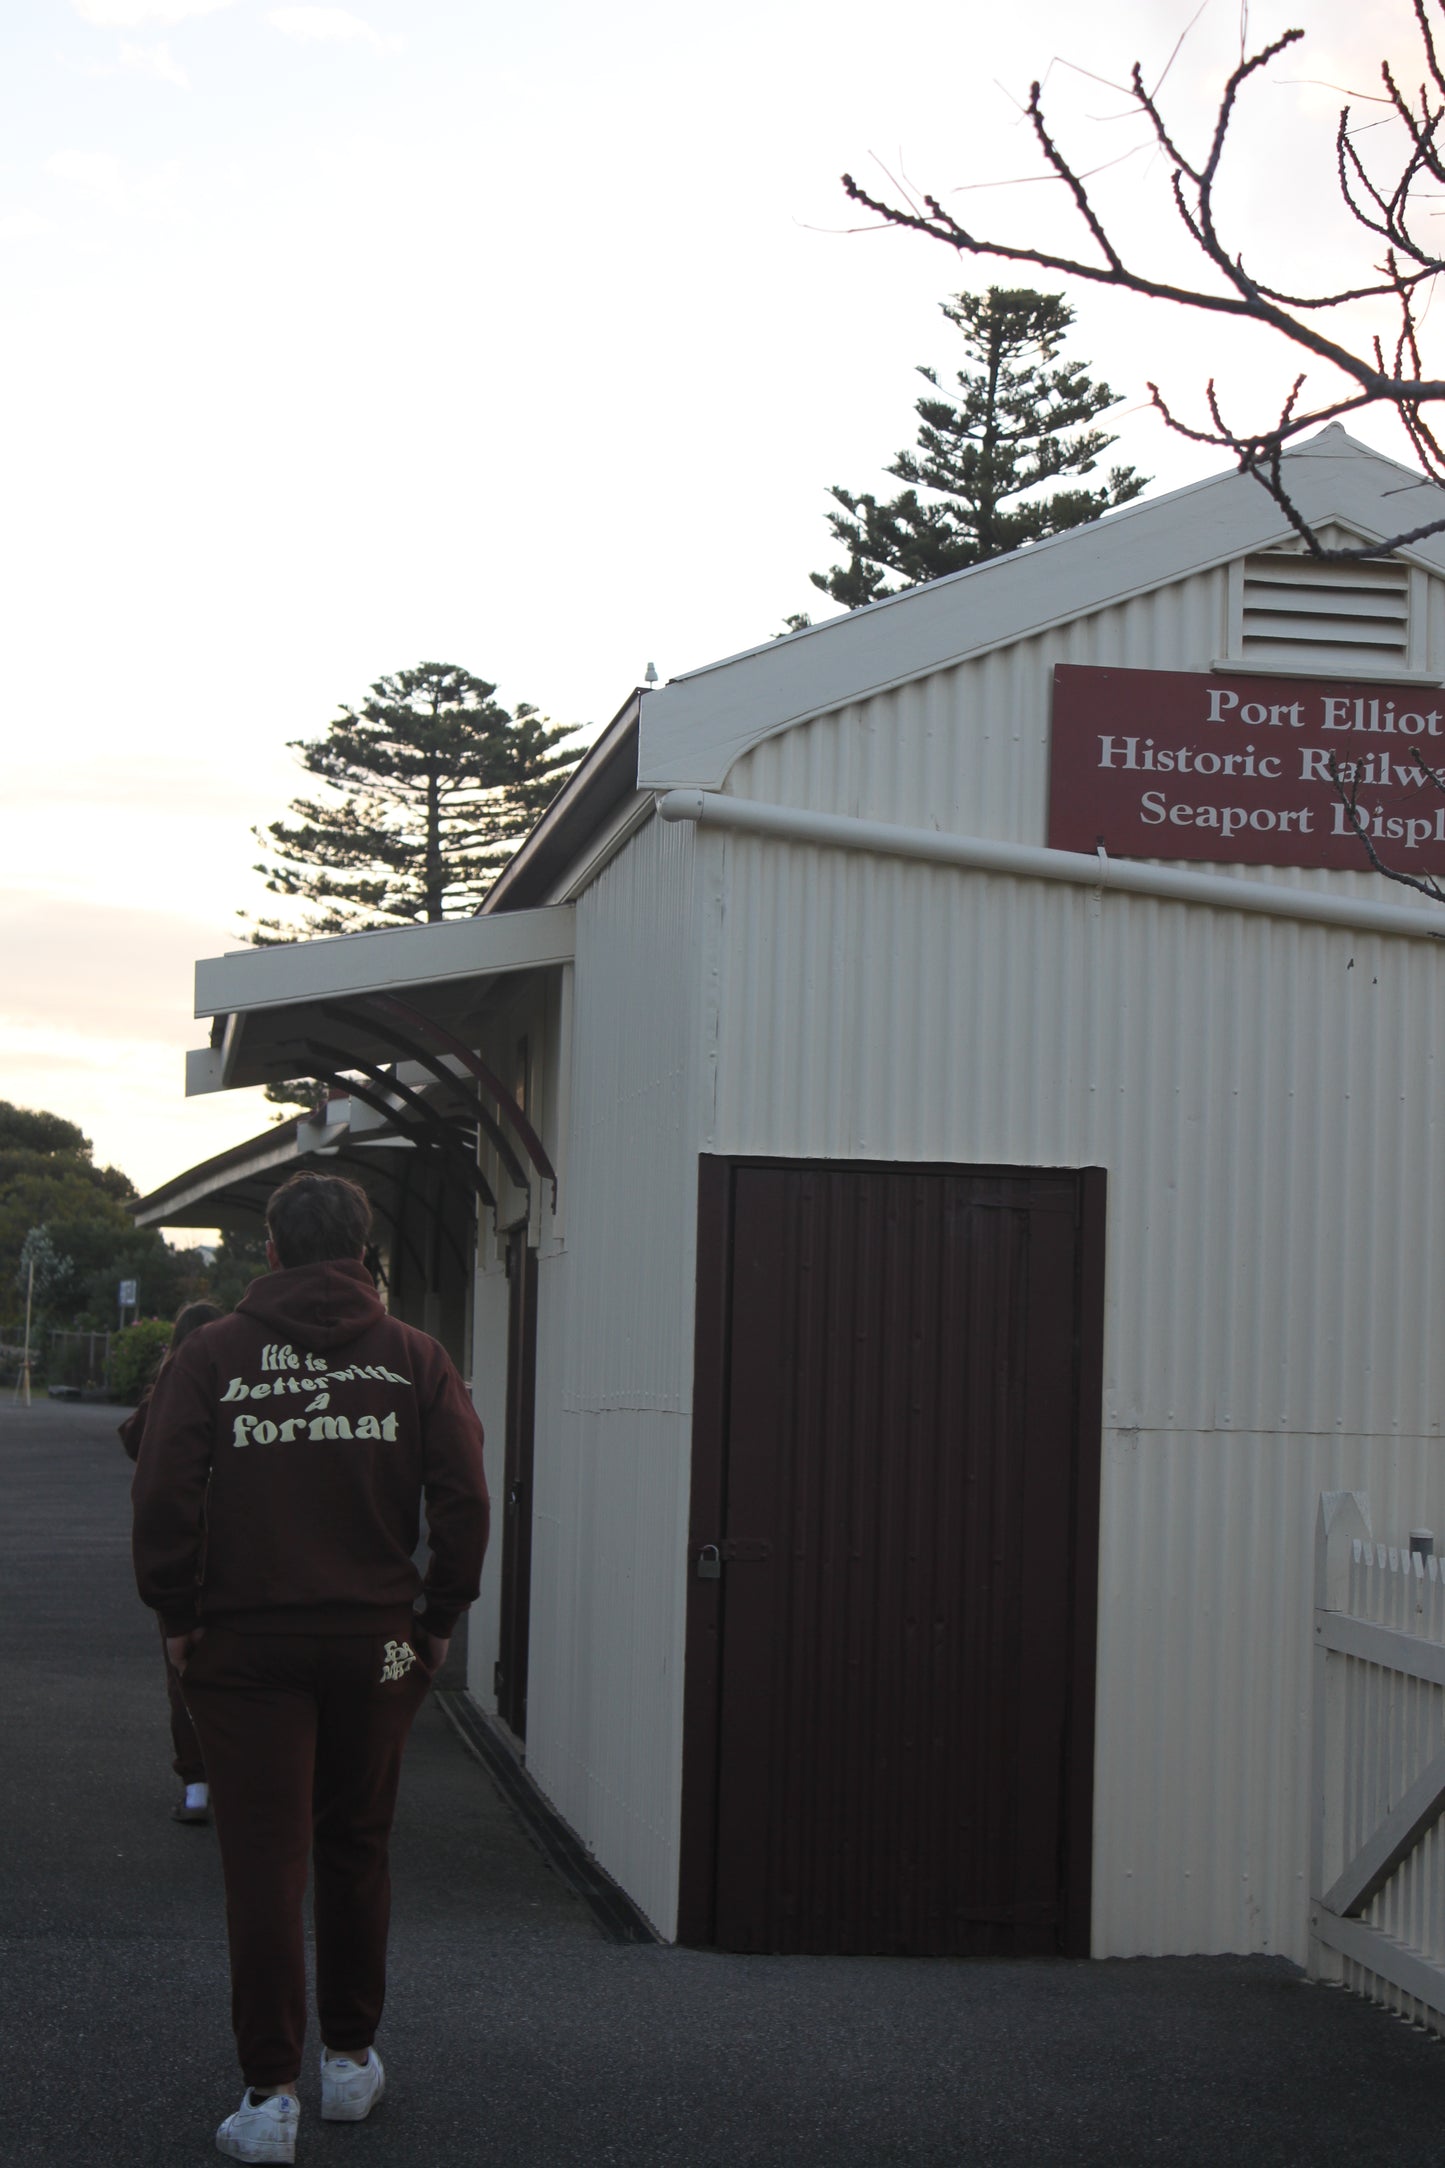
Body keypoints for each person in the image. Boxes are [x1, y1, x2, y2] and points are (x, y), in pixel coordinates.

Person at [131, 1173, 489, 2165]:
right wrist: (438, 1615)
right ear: (362, 1250)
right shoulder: (414, 1355)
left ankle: (267, 2097)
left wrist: (177, 1609)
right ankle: (348, 2060)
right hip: (378, 1641)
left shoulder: (211, 1355)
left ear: (273, 1252)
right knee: (356, 1841)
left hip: (243, 1648)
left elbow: (163, 1486)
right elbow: (463, 1490)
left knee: (263, 1858)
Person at [120, 1298, 226, 1824]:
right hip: (239, 1550)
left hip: (184, 1552)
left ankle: (197, 1783)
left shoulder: (172, 1391)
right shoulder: (241, 1384)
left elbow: (134, 1441)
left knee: (182, 1665)